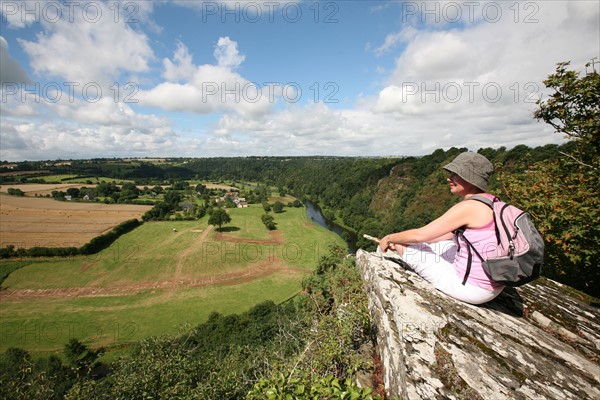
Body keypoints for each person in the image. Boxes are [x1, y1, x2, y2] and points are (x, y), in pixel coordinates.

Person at [378, 151, 505, 305]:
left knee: (402, 244)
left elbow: (421, 235)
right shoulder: (492, 201)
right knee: (433, 244)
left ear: (469, 178)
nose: (449, 178)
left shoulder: (469, 207)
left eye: (455, 175)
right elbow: (442, 235)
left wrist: (391, 238)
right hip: (493, 283)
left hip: (473, 288)